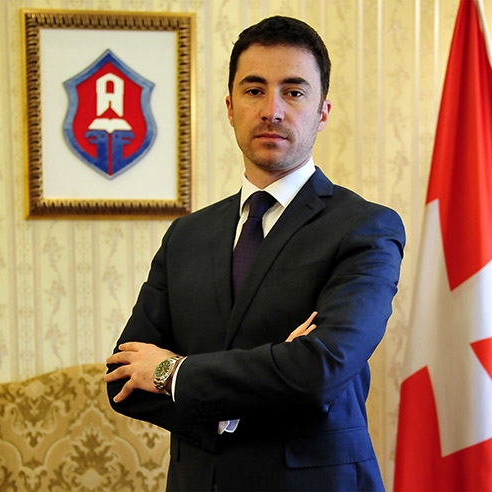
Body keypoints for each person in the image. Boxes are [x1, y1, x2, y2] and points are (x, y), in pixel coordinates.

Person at [105, 15, 405, 492]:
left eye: (294, 91)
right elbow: (123, 379)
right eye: (254, 90)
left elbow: (319, 371)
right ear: (229, 107)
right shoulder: (186, 235)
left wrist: (170, 371)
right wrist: (277, 373)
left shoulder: (366, 228)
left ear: (323, 111)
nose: (272, 110)